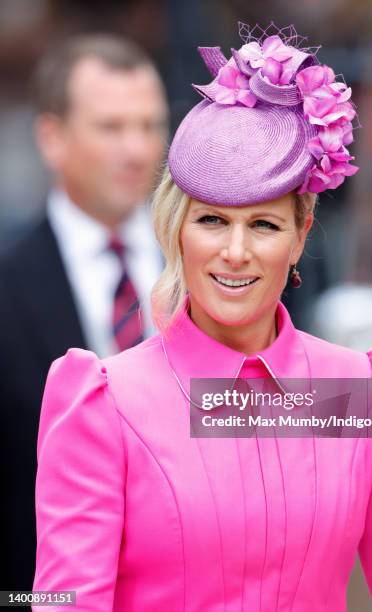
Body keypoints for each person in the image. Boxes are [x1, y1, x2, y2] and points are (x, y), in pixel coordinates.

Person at [32, 24, 372, 610]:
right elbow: (62, 602)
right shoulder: (104, 401)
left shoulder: (355, 394)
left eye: (265, 225)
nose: (235, 251)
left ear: (300, 235)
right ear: (177, 227)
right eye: (212, 220)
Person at [0, 34, 168, 592]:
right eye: (112, 127)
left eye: (149, 125)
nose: (137, 149)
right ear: (52, 138)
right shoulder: (9, 281)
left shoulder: (218, 265)